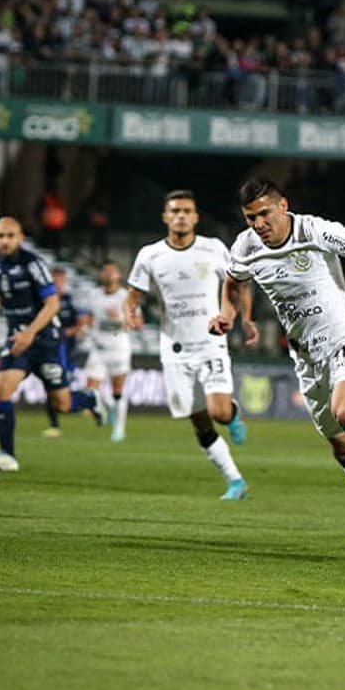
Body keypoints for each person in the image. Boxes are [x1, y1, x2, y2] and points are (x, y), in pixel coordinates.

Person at [209, 178, 345, 551]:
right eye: (250, 218)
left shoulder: (315, 229)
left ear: (283, 207)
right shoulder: (246, 246)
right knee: (342, 446)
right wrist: (227, 314)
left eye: (264, 214)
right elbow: (234, 282)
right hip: (307, 357)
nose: (259, 224)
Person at [124, 190, 252, 500]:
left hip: (211, 342)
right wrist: (131, 314)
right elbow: (132, 297)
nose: (180, 216)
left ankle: (232, 414)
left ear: (195, 217)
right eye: (175, 211)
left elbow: (238, 284)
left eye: (186, 211)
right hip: (175, 348)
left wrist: (245, 319)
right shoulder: (150, 255)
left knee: (218, 412)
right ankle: (235, 480)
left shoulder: (213, 249)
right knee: (198, 420)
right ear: (165, 217)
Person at [0, 217, 105, 472]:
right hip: (16, 340)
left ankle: (89, 398)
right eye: (0, 236)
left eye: (10, 236)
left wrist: (30, 333)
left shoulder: (33, 265)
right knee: (0, 390)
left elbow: (52, 304)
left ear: (20, 238)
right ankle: (7, 455)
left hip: (45, 342)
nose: (5, 241)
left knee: (62, 404)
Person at [84, 261, 133, 443]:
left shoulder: (126, 296)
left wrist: (120, 318)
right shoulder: (94, 295)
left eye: (113, 272)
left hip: (118, 349)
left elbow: (138, 322)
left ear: (118, 275)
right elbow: (89, 317)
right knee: (91, 389)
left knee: (117, 390)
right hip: (98, 348)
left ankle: (119, 429)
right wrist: (84, 327)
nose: (109, 275)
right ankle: (108, 408)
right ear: (101, 275)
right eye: (105, 272)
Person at [42, 266, 88, 439]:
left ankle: (89, 401)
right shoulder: (43, 300)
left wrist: (72, 331)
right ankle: (54, 426)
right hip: (48, 349)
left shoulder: (71, 301)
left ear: (65, 281)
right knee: (50, 386)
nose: (58, 283)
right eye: (55, 279)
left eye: (60, 279)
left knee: (63, 390)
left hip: (67, 352)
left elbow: (83, 321)